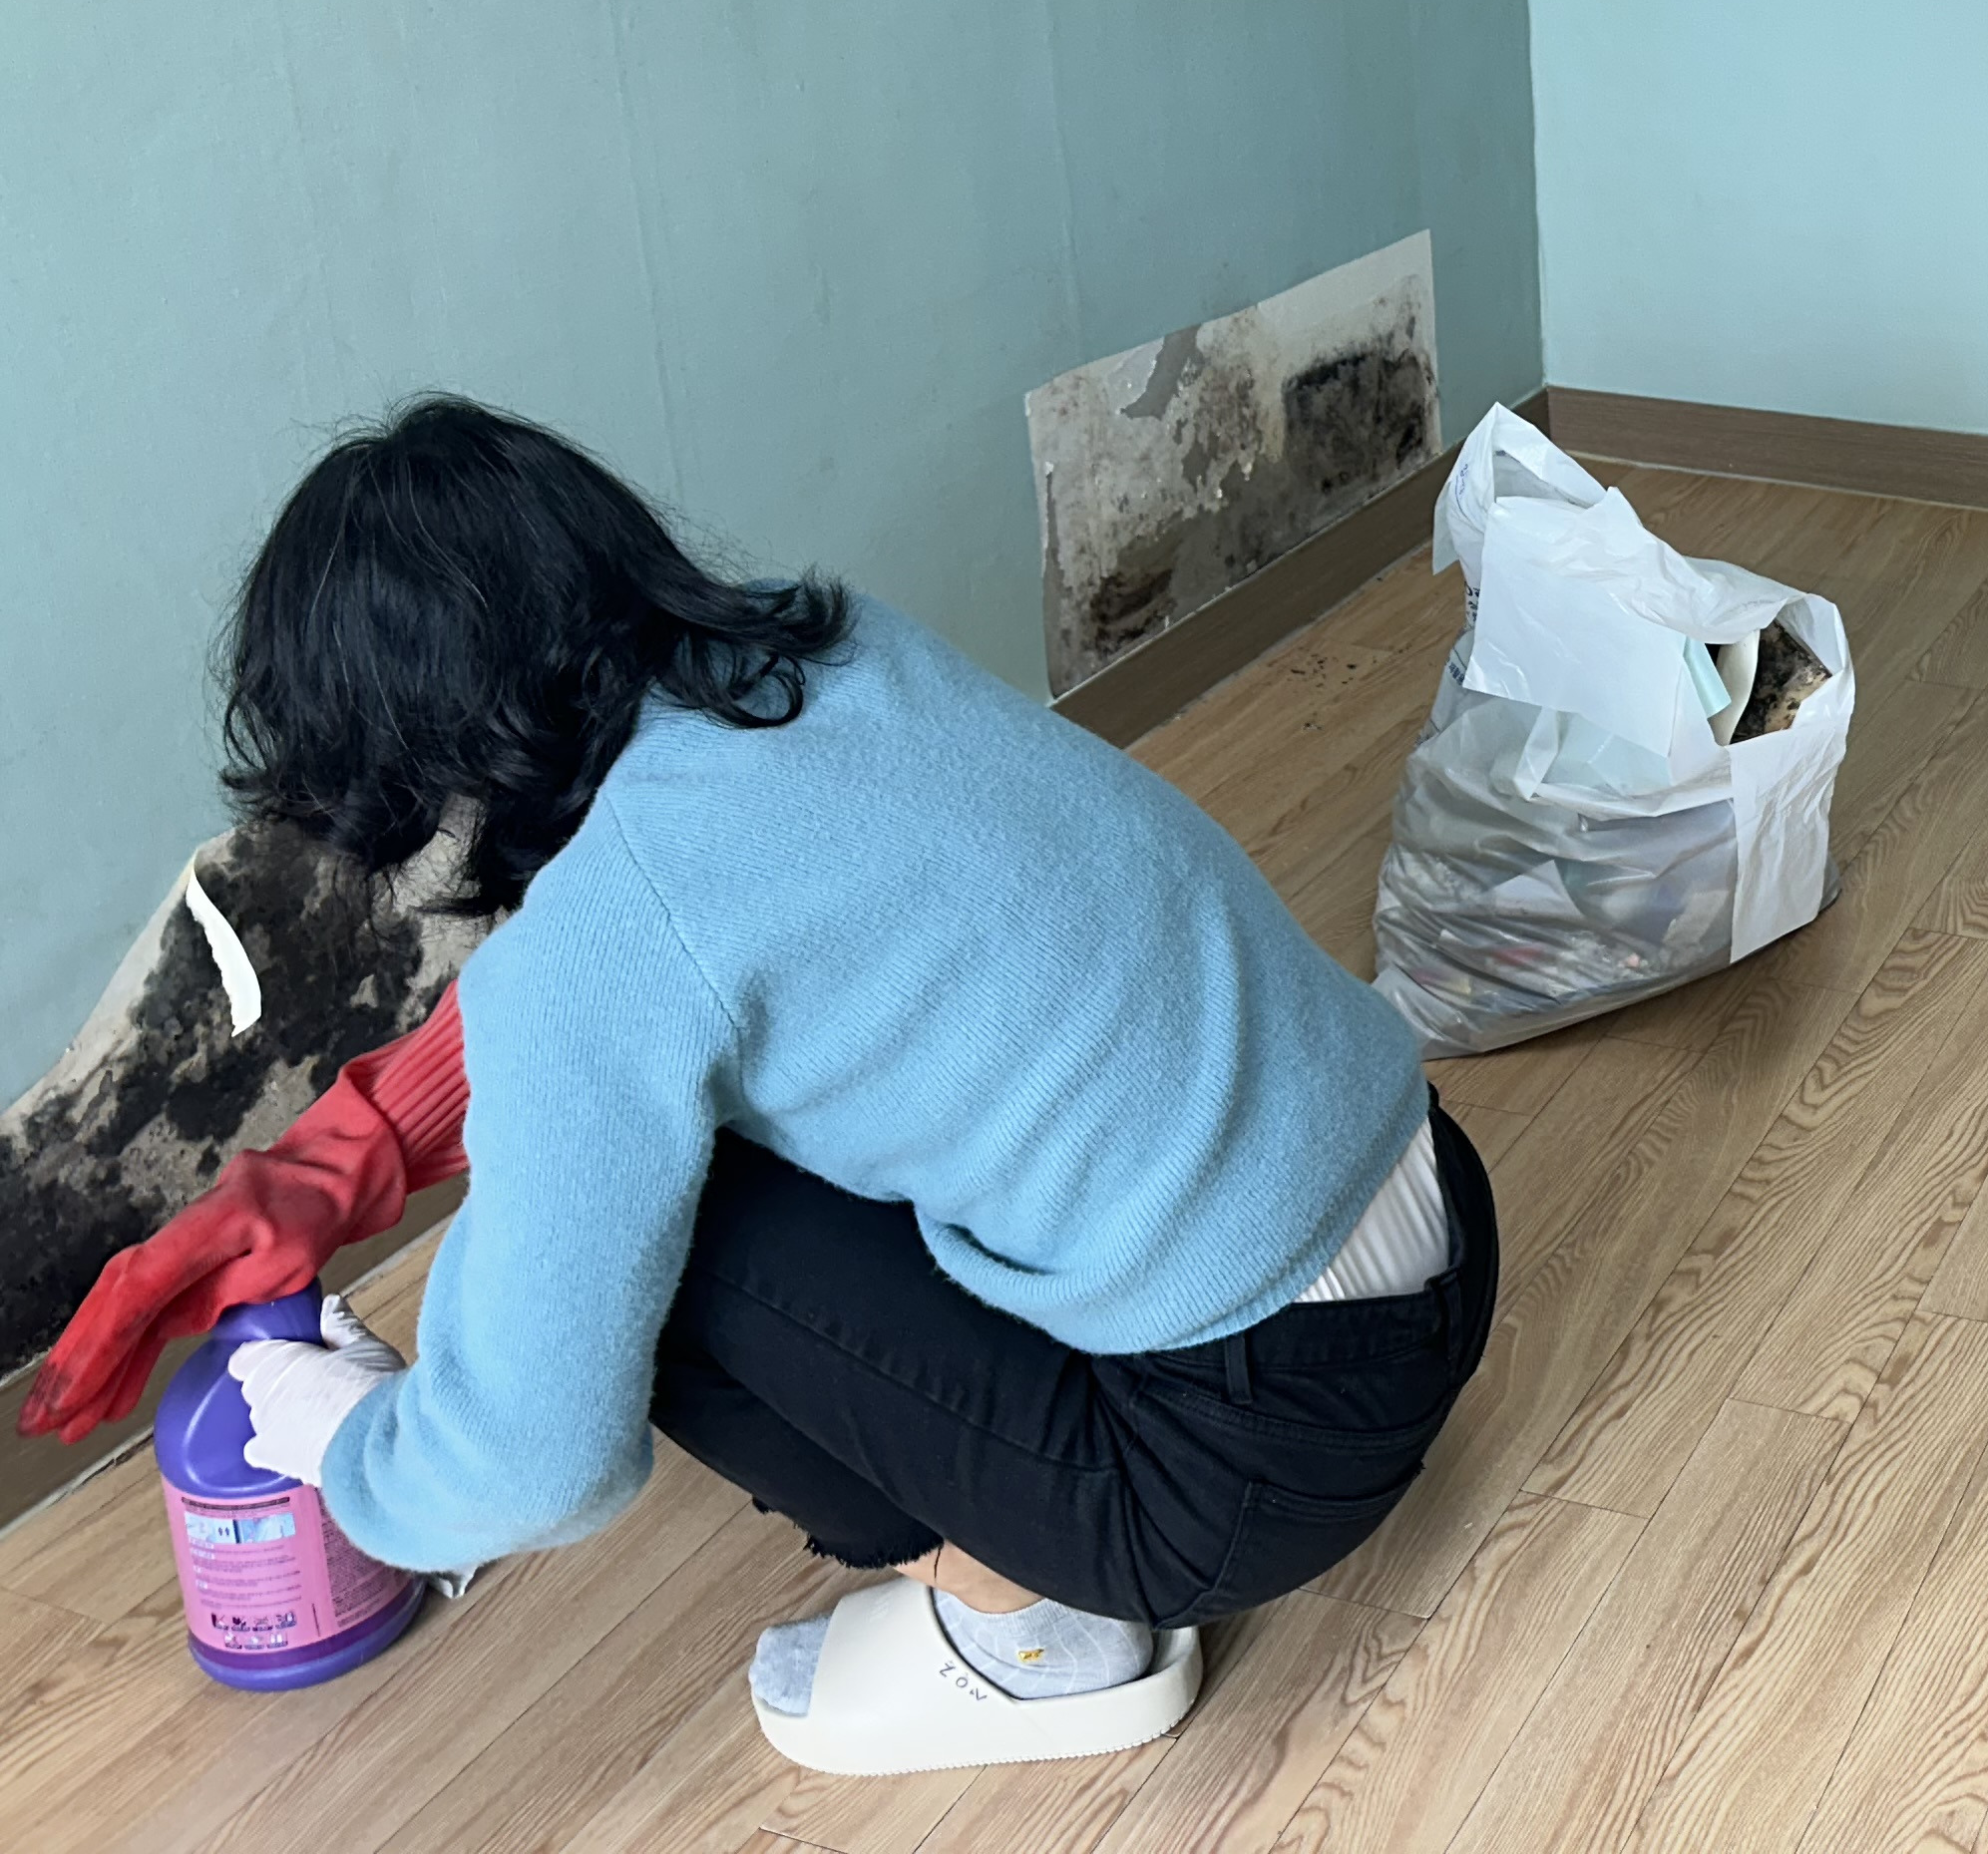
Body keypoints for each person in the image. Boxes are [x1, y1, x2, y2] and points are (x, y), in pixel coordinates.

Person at [166, 398, 1489, 1777]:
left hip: (1249, 1474)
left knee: (663, 1249)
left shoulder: (593, 943)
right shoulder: (830, 657)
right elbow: (684, 974)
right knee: (710, 1136)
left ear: (389, 755)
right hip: (1438, 1218)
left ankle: (1036, 1630)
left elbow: (536, 1459)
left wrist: (354, 1451)